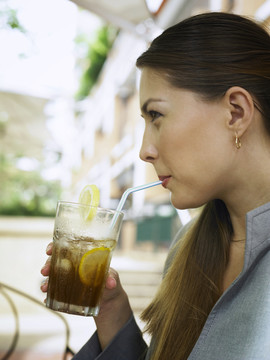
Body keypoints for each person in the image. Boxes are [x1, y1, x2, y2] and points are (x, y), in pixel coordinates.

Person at [41, 11, 270, 359]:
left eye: (156, 116)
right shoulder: (187, 246)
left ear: (235, 113)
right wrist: (112, 313)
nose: (145, 152)